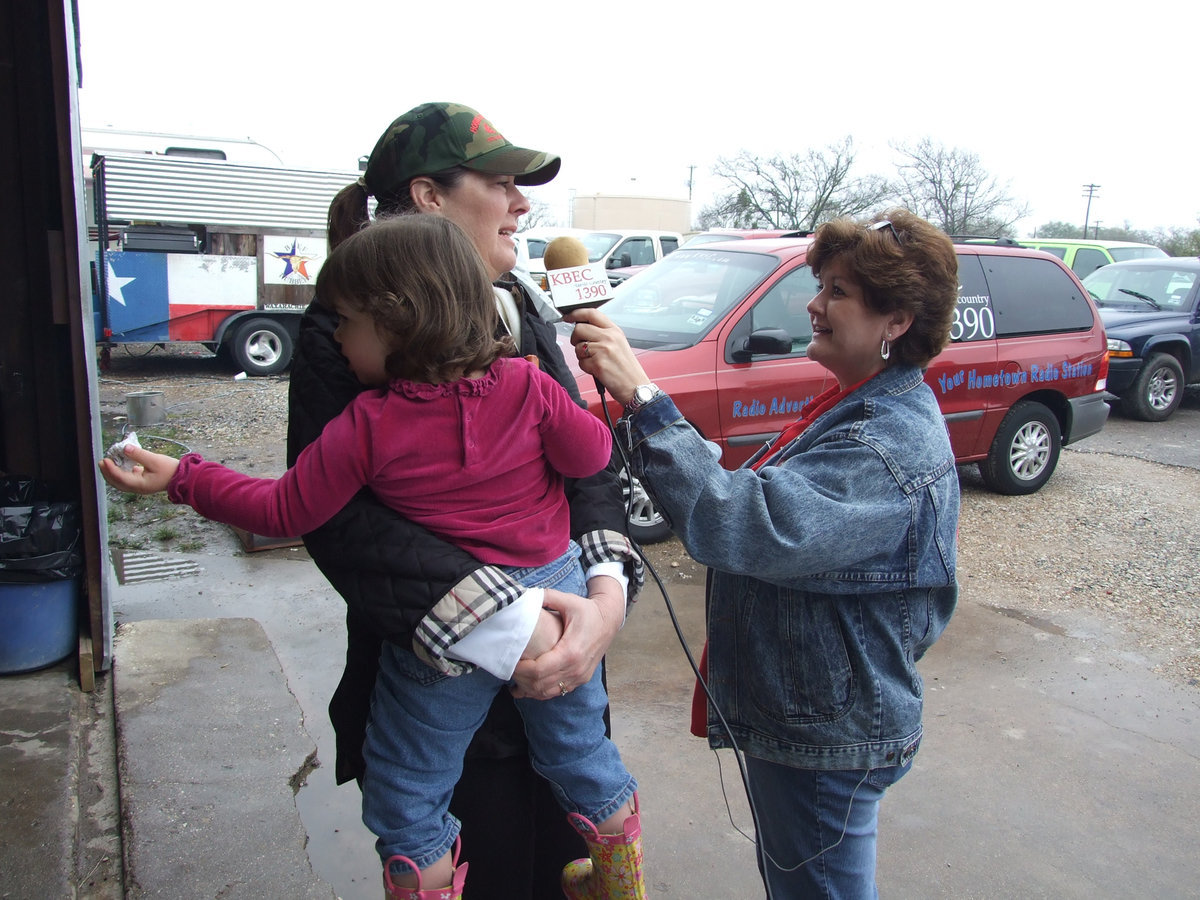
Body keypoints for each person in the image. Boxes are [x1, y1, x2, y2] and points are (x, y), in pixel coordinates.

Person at [99, 214, 644, 900]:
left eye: (346, 319)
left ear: (398, 321)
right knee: (584, 757)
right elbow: (590, 458)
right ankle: (621, 880)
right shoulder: (530, 387)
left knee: (410, 796)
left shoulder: (368, 425)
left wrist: (185, 477)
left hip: (451, 633)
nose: (331, 335)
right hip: (560, 601)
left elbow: (282, 511)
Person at [285, 102, 643, 900]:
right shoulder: (346, 334)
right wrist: (516, 624)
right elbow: (339, 524)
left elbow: (584, 467)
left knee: (566, 864)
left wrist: (606, 600)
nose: (523, 206)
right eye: (503, 184)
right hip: (453, 700)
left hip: (568, 664)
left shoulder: (517, 303)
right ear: (428, 198)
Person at [568, 209, 961, 899]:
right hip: (820, 720)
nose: (814, 304)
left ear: (895, 322)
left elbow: (740, 522)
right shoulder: (853, 407)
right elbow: (742, 495)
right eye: (822, 285)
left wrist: (641, 394)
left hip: (827, 736)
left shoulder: (884, 446)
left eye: (837, 291)